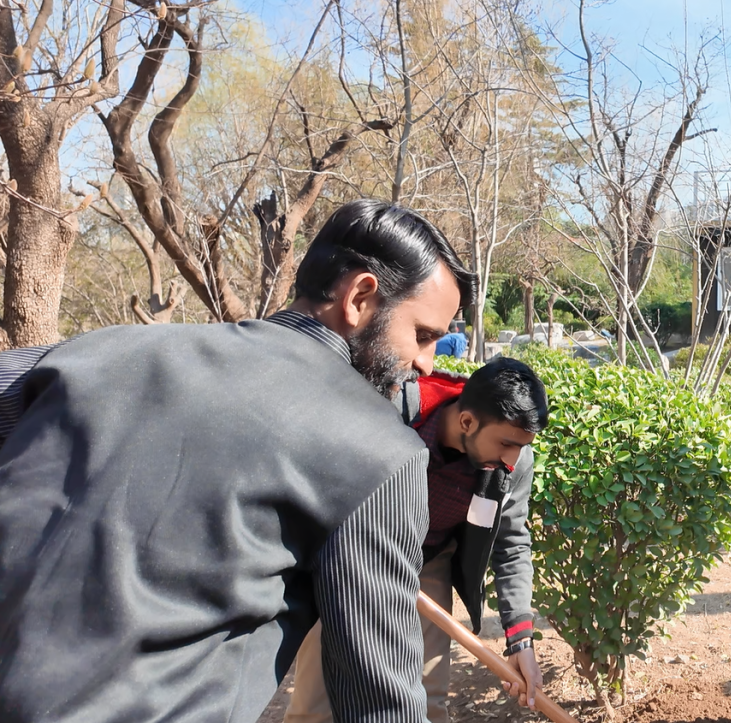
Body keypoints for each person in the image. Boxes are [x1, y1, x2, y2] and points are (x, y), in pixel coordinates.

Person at [0, 199, 476, 723]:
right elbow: (378, 699)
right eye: (424, 334)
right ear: (360, 296)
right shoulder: (382, 454)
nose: (427, 362)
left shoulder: (85, 355)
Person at [285, 357, 548, 723]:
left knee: (423, 698)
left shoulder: (512, 463)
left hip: (429, 558)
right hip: (352, 553)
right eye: (506, 443)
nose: (512, 459)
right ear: (467, 422)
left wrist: (520, 639)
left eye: (522, 446)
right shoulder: (391, 413)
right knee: (317, 702)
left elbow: (512, 544)